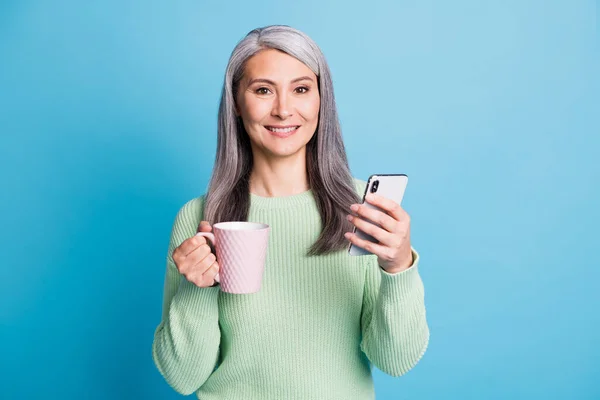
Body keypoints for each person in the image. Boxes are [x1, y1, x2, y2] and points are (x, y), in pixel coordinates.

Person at [152, 25, 429, 400]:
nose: (283, 110)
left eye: (301, 89)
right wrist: (197, 288)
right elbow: (183, 377)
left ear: (321, 100)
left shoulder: (365, 210)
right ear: (236, 102)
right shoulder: (200, 216)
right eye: (263, 90)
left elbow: (396, 360)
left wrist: (397, 269)